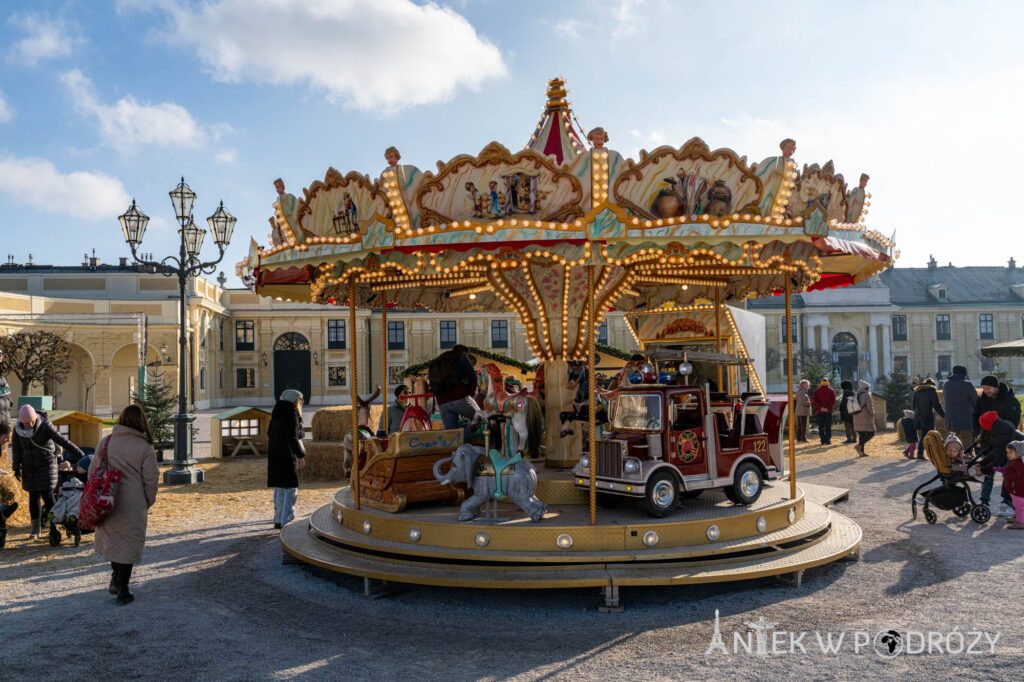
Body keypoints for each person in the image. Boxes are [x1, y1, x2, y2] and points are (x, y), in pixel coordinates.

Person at [88, 404, 159, 605]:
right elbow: (151, 479)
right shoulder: (145, 447)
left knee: (114, 542)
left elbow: (93, 471)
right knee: (128, 545)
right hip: (133, 503)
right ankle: (123, 589)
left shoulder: (107, 441)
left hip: (107, 501)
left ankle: (115, 579)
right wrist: (147, 501)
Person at [11, 404, 84, 540]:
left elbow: (62, 441)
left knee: (48, 494)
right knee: (33, 496)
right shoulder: (17, 430)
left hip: (46, 464)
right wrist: (16, 467)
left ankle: (57, 524)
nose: (29, 425)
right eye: (26, 423)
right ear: (21, 422)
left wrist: (80, 454)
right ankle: (35, 528)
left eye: (31, 421)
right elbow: (16, 449)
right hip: (29, 466)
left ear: (35, 418)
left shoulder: (45, 425)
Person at [267, 389, 306, 530]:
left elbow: (269, 433)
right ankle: (287, 521)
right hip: (286, 456)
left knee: (279, 488)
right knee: (290, 489)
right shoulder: (291, 413)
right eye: (301, 401)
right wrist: (301, 455)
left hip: (274, 455)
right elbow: (292, 438)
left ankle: (278, 520)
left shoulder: (277, 412)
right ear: (295, 401)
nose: (302, 404)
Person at [433, 345, 484, 440]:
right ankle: (462, 440)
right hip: (458, 397)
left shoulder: (440, 360)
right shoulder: (461, 357)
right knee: (479, 415)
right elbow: (472, 377)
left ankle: (455, 447)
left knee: (451, 434)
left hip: (442, 401)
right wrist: (470, 393)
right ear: (463, 352)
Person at [976, 411, 1021, 518]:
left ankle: (1008, 505)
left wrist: (983, 470)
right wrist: (982, 463)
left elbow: (999, 462)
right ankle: (1013, 507)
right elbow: (997, 452)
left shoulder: (999, 433)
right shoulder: (1001, 427)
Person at [942, 365, 977, 447]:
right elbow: (976, 401)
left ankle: (952, 458)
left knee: (952, 441)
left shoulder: (946, 385)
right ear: (964, 374)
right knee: (967, 440)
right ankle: (967, 457)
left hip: (951, 418)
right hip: (966, 418)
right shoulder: (968, 384)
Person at [912, 378, 945, 461]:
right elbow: (937, 405)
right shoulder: (932, 391)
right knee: (926, 434)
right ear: (933, 385)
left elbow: (914, 405)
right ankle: (921, 452)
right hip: (927, 416)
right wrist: (944, 416)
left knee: (924, 434)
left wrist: (916, 414)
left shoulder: (917, 391)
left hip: (918, 415)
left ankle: (928, 452)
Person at [1003, 440, 1024, 529]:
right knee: (1019, 505)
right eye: (1007, 452)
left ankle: (1020, 522)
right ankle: (1020, 520)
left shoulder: (1018, 462)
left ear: (1018, 452)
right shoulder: (1014, 461)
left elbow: (1019, 475)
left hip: (1017, 489)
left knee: (1018, 505)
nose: (1008, 454)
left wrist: (1007, 473)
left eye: (1011, 452)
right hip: (1015, 488)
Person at [852, 380, 876, 457]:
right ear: (866, 388)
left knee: (862, 435)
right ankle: (859, 446)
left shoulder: (856, 395)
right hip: (865, 417)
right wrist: (873, 414)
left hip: (856, 417)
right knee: (871, 433)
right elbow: (870, 407)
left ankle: (861, 452)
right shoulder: (867, 395)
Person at [811, 379, 836, 445]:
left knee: (820, 426)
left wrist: (821, 407)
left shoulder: (817, 391)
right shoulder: (831, 390)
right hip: (828, 410)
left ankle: (822, 440)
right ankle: (828, 440)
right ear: (828, 383)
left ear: (821, 383)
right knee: (828, 426)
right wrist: (827, 407)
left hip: (820, 411)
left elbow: (815, 401)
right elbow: (833, 401)